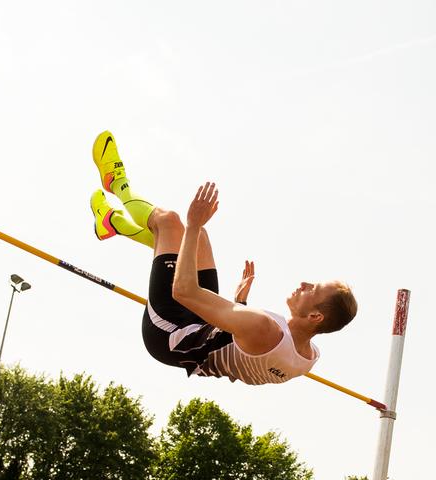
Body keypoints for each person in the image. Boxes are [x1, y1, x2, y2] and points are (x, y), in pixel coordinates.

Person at [88, 132, 358, 385]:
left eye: (314, 289)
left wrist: (192, 224)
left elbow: (183, 291)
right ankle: (112, 223)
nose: (304, 283)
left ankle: (116, 183)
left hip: (171, 335)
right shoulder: (308, 359)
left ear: (315, 316)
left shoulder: (263, 326)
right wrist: (239, 304)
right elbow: (242, 356)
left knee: (170, 223)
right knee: (198, 241)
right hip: (204, 329)